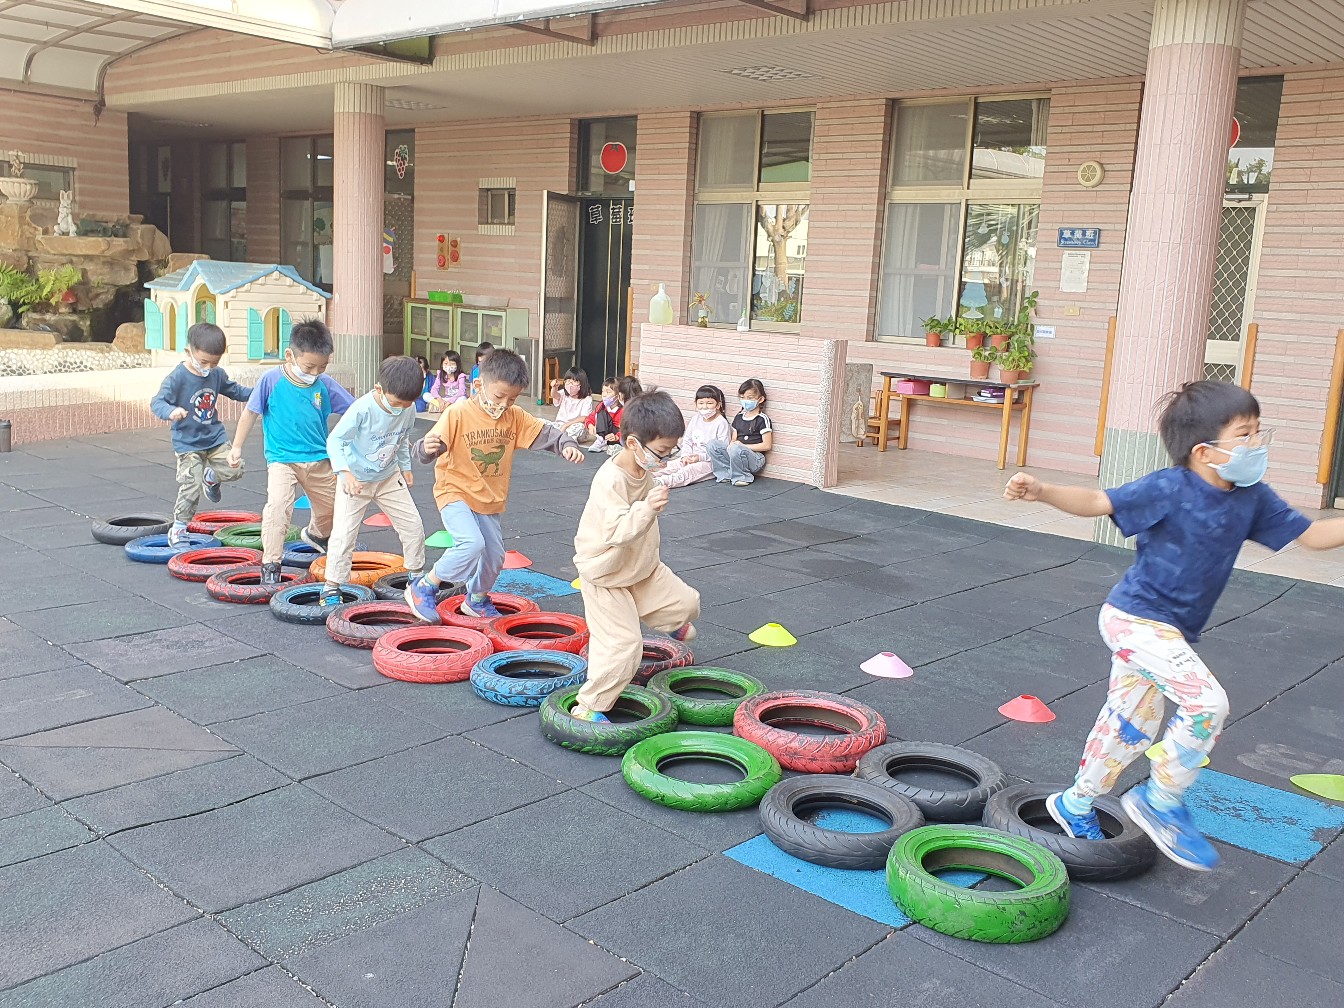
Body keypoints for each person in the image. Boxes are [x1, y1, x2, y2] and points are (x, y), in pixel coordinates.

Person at [1003, 380, 1344, 871]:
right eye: (1245, 435)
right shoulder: (1169, 488)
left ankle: (1074, 804)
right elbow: (1098, 501)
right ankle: (1161, 798)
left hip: (1168, 631)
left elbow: (1312, 535)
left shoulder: (1252, 498)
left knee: (1130, 725)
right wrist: (1042, 491)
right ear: (1204, 451)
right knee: (1207, 704)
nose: (1257, 444)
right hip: (1133, 619)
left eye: (1258, 431)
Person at [402, 348, 585, 622]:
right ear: (479, 385)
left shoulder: (514, 416)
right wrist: (426, 448)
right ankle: (425, 586)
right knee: (471, 543)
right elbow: (428, 447)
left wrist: (567, 444)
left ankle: (476, 599)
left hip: (488, 499)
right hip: (455, 491)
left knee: (495, 556)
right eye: (499, 396)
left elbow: (546, 433)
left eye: (512, 399)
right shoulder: (459, 412)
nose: (504, 404)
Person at [571, 390, 700, 721]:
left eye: (671, 451)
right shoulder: (610, 480)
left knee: (687, 604)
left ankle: (666, 619)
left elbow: (659, 478)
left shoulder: (645, 468)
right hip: (606, 576)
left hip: (641, 567)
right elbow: (616, 532)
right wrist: (647, 508)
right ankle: (588, 707)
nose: (665, 458)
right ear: (632, 443)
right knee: (625, 646)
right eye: (662, 452)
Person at [228, 317, 354, 586]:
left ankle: (317, 534)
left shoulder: (325, 384)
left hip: (319, 458)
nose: (315, 372)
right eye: (309, 366)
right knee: (277, 507)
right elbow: (250, 412)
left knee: (336, 507)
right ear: (290, 355)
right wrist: (236, 447)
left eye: (322, 366)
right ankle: (271, 563)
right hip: (282, 459)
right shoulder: (271, 380)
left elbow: (356, 411)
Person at [322, 356, 427, 605]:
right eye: (397, 403)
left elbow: (402, 438)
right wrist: (344, 473)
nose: (401, 408)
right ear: (379, 389)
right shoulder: (362, 409)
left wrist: (406, 467)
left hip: (389, 477)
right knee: (344, 534)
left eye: (407, 403)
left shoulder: (408, 408)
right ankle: (331, 586)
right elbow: (335, 441)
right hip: (355, 480)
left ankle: (416, 576)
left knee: (413, 525)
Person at [149, 322, 252, 545]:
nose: (208, 367)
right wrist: (171, 411)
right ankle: (179, 528)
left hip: (214, 438)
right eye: (204, 362)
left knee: (235, 469)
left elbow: (235, 391)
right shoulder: (178, 377)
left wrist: (260, 393)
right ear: (189, 351)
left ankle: (211, 477)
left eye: (214, 363)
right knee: (190, 485)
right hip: (188, 444)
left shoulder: (216, 374)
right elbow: (157, 402)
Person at [655, 384, 730, 489]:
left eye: (709, 403)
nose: (705, 407)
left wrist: (700, 457)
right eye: (701, 403)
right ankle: (648, 479)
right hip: (690, 457)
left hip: (709, 462)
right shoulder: (695, 419)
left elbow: (722, 451)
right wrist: (685, 456)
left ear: (718, 405)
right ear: (696, 404)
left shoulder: (721, 423)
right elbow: (687, 440)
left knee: (687, 472)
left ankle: (659, 483)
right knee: (670, 466)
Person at [707, 377, 772, 486]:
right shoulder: (739, 417)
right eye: (742, 397)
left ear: (760, 399)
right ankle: (725, 474)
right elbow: (734, 439)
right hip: (737, 452)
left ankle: (742, 477)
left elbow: (767, 445)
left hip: (755, 458)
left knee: (736, 447)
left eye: (750, 398)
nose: (745, 401)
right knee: (712, 444)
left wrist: (742, 446)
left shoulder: (762, 419)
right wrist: (734, 446)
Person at [550, 366, 595, 442]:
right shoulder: (564, 394)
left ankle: (561, 439)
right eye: (568, 381)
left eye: (573, 381)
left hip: (575, 427)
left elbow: (584, 418)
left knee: (579, 427)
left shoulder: (587, 399)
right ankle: (561, 438)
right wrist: (554, 387)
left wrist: (566, 425)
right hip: (560, 425)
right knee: (541, 423)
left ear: (581, 383)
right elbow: (555, 395)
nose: (570, 384)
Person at [587, 377, 623, 454]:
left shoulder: (623, 409)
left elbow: (627, 428)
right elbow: (591, 417)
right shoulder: (602, 405)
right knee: (601, 413)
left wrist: (617, 436)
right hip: (605, 435)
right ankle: (601, 440)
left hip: (617, 436)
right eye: (603, 391)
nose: (604, 395)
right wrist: (590, 425)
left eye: (608, 392)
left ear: (618, 395)